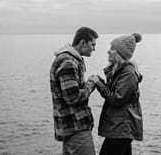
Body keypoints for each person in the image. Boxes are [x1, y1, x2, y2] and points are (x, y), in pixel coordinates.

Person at [51, 26, 100, 155]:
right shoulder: (68, 62)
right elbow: (73, 98)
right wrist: (92, 83)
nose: (94, 48)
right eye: (93, 44)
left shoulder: (69, 60)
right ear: (83, 43)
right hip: (76, 128)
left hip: (70, 128)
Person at [91, 33, 143, 155]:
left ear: (120, 54)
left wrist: (99, 84)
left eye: (112, 49)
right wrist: (101, 82)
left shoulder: (128, 74)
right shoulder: (120, 71)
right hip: (120, 128)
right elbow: (115, 92)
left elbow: (117, 99)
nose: (108, 52)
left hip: (122, 129)